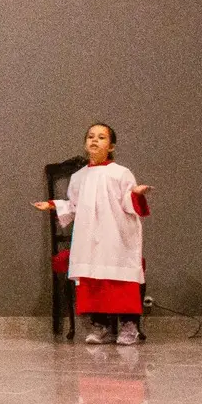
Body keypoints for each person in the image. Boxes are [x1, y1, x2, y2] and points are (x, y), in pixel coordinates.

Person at [34, 123, 152, 346]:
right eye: (90, 136)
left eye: (101, 137)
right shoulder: (79, 177)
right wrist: (53, 205)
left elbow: (128, 202)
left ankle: (129, 325)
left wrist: (136, 195)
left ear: (111, 146)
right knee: (93, 280)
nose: (94, 140)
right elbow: (76, 205)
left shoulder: (121, 173)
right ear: (85, 143)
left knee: (120, 282)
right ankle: (101, 326)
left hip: (117, 236)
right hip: (90, 237)